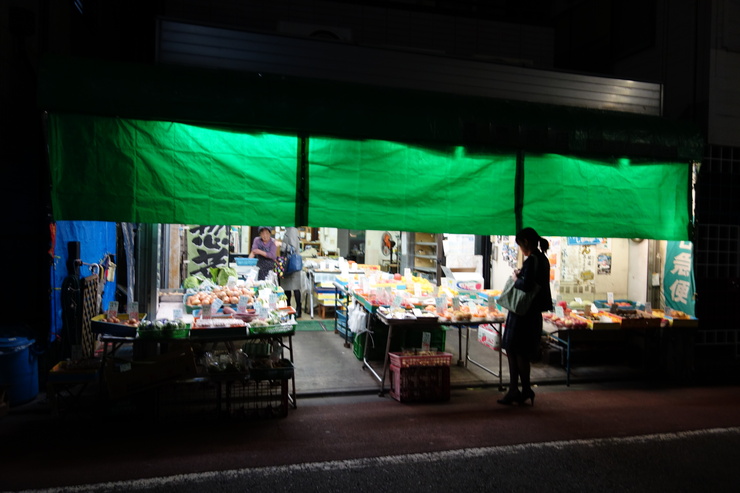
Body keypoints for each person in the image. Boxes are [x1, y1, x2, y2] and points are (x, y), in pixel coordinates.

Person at [498, 227, 553, 406]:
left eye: (520, 244)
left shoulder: (533, 260)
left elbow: (527, 285)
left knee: (516, 351)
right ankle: (522, 389)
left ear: (526, 243)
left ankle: (518, 389)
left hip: (523, 313)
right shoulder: (542, 260)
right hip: (531, 313)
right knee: (516, 351)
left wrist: (516, 278)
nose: (520, 248)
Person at [279, 226, 302, 318]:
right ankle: (290, 308)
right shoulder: (290, 229)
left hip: (290, 262)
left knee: (294, 287)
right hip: (290, 262)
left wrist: (281, 246)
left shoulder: (292, 230)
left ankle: (297, 309)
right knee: (288, 287)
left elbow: (292, 247)